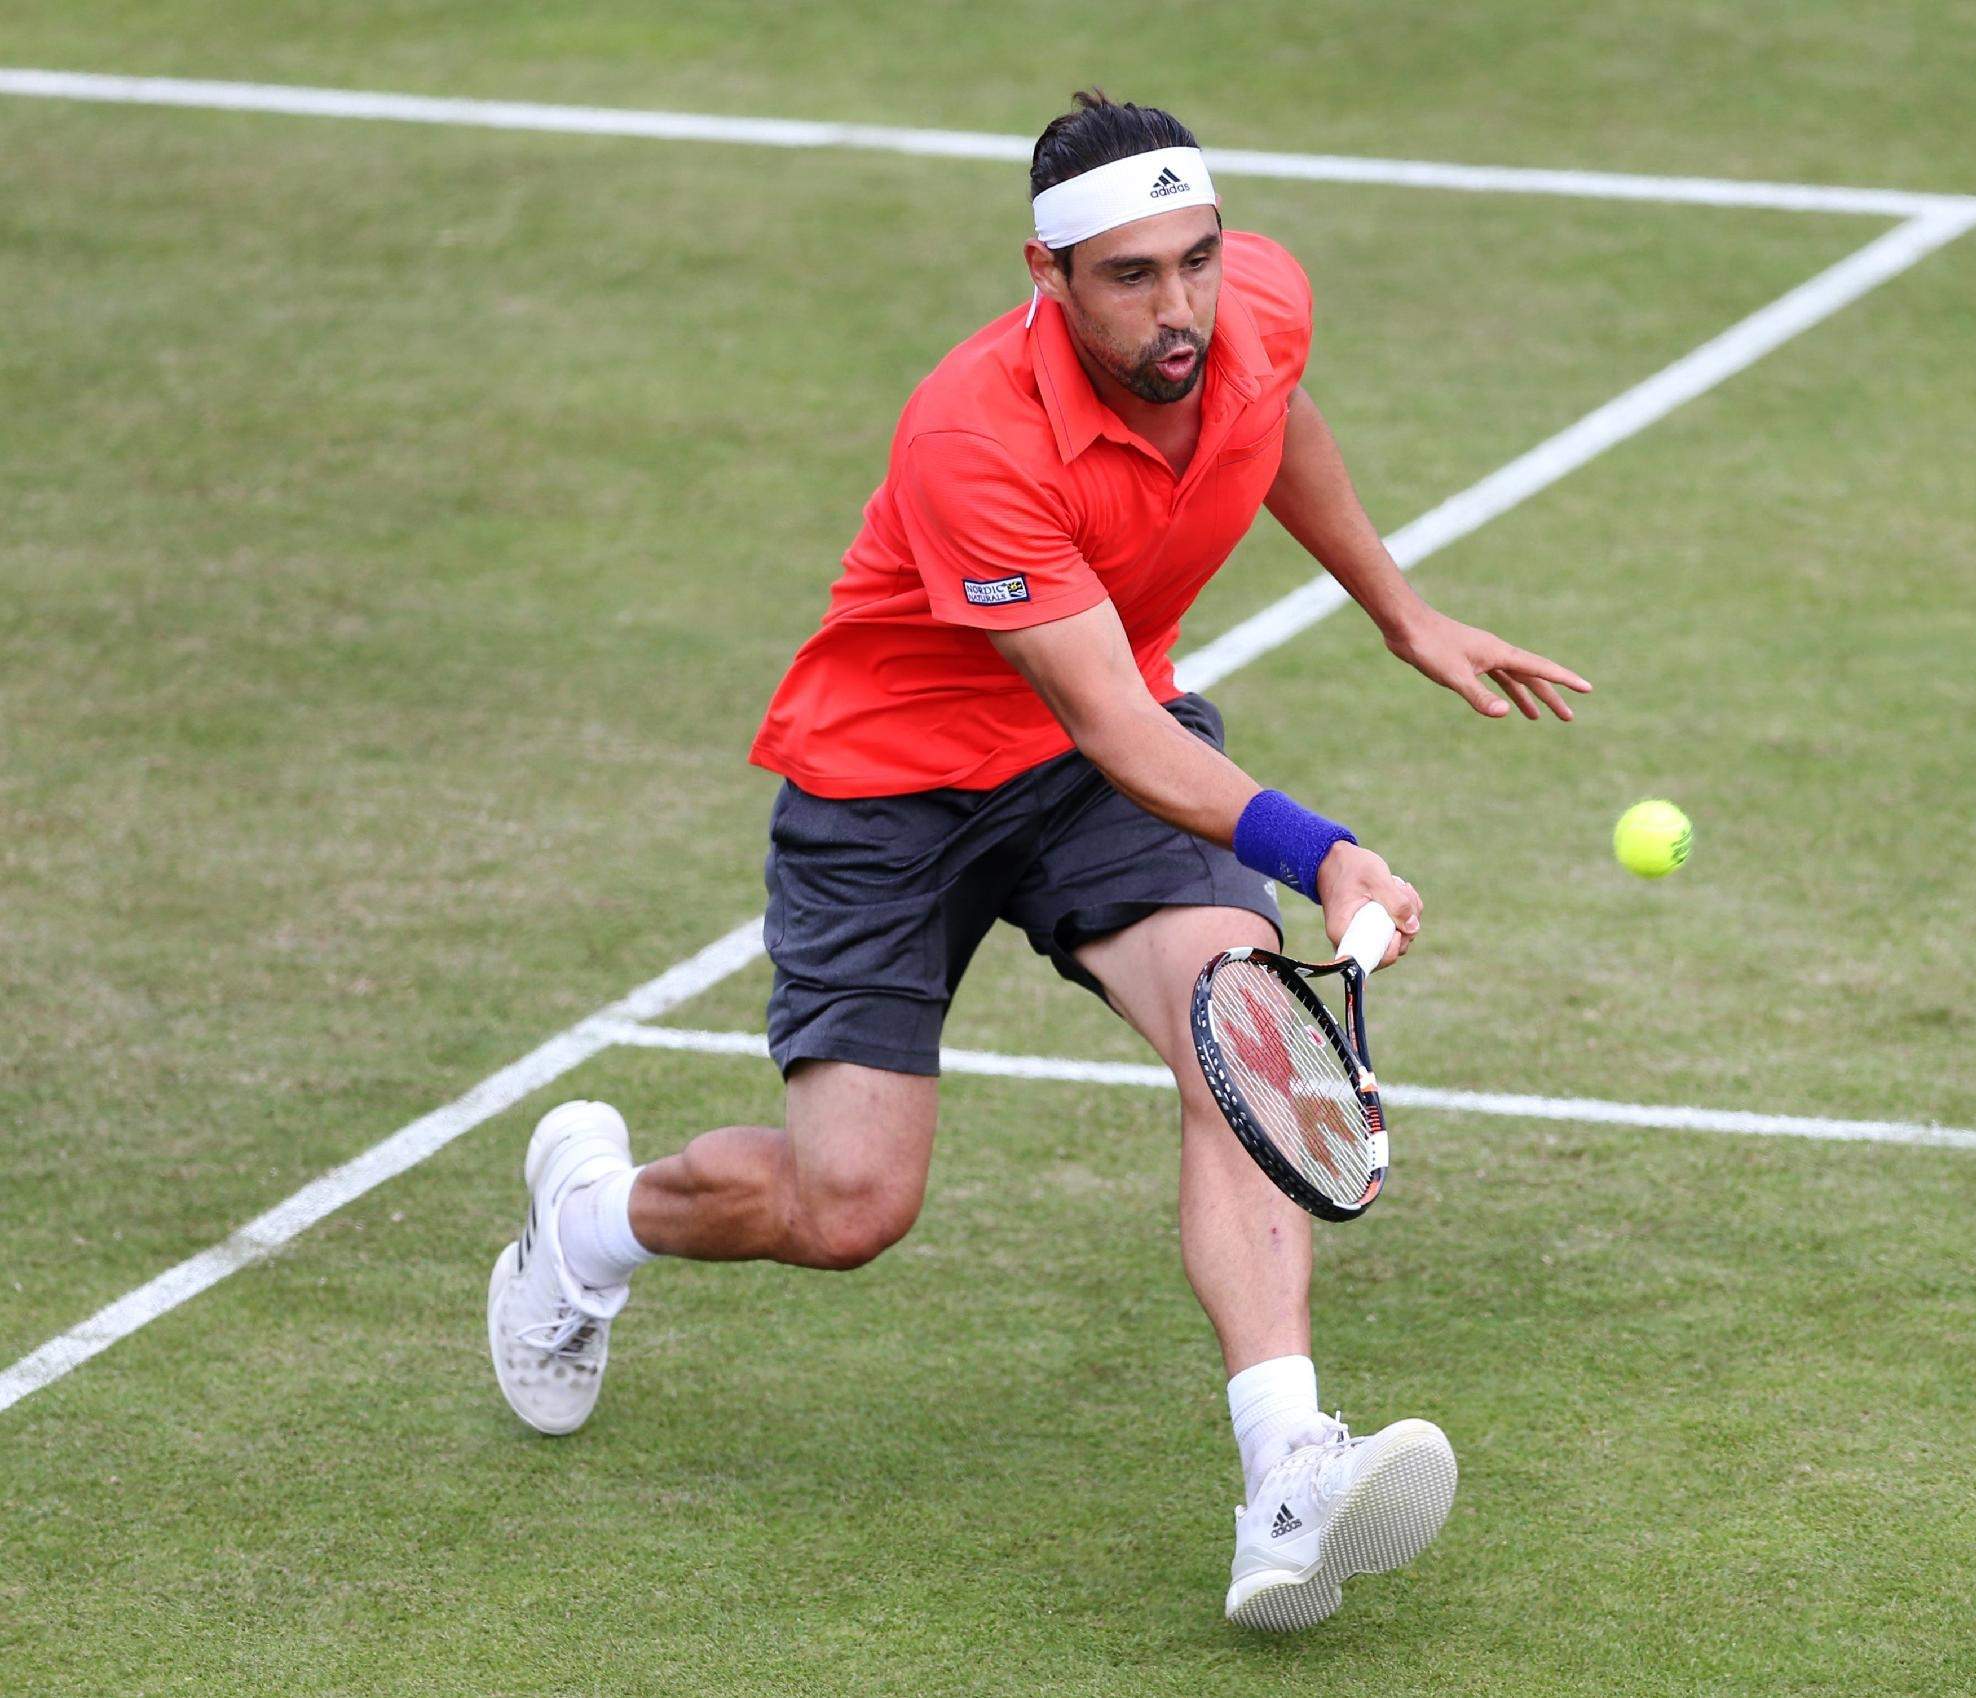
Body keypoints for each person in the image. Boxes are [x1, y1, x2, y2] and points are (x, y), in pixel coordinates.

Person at [487, 90, 1587, 1631]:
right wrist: (1325, 851)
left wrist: (1401, 610)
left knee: (1240, 1034)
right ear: (1046, 273)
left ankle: (1286, 1473)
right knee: (848, 1206)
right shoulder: (973, 436)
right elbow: (1117, 729)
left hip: (1087, 774)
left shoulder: (1250, 306)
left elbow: (1273, 415)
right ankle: (589, 1221)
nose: (1178, 306)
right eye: (1130, 276)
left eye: (1195, 260)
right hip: (892, 791)